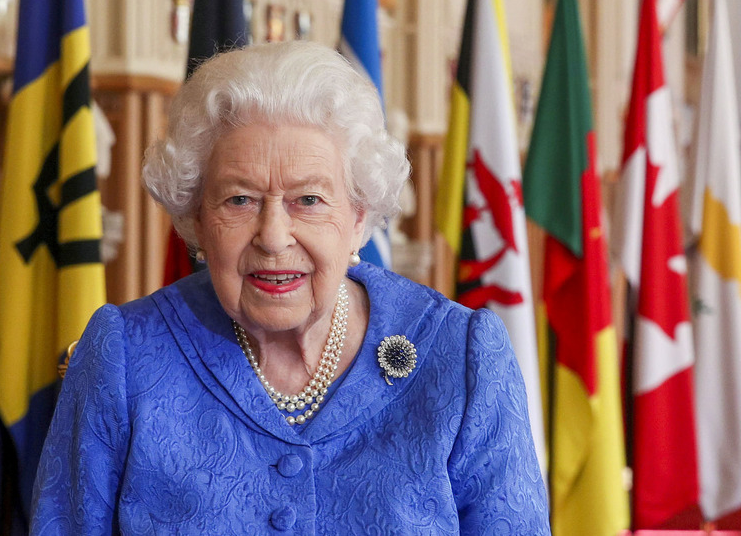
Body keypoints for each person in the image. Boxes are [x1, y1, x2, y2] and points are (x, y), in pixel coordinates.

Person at [30, 40, 549, 534]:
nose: (274, 237)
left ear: (359, 218)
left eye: (308, 200)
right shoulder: (126, 358)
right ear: (195, 220)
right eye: (239, 200)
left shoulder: (459, 359)